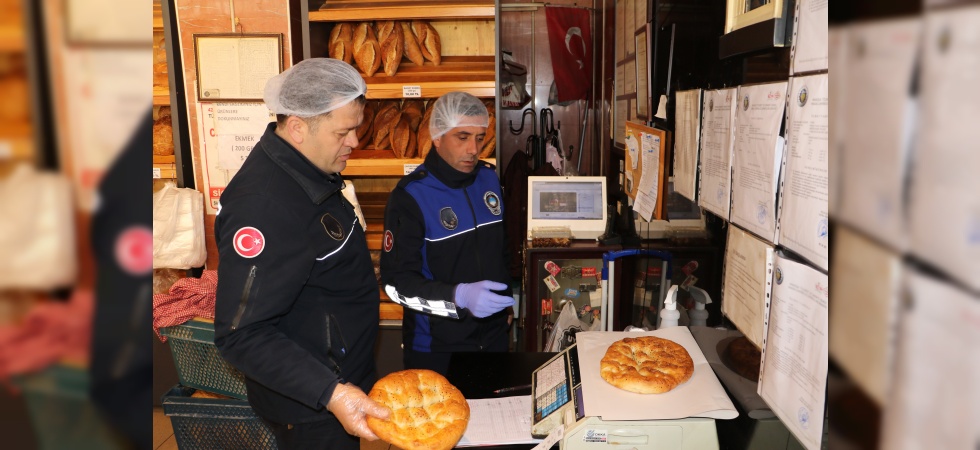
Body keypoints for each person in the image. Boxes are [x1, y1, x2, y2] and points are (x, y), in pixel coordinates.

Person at [213, 58, 389, 450]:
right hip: (311, 408)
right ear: (297, 128)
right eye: (344, 131)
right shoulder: (264, 206)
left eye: (356, 128)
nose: (355, 142)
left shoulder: (308, 169)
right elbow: (241, 335)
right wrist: (333, 393)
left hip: (335, 382)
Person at [380, 91, 514, 376]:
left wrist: (506, 305)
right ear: (437, 137)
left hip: (494, 339)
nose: (473, 149)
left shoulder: (489, 179)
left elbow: (500, 250)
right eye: (462, 137)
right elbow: (396, 285)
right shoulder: (411, 197)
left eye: (479, 138)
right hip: (436, 348)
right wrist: (458, 296)